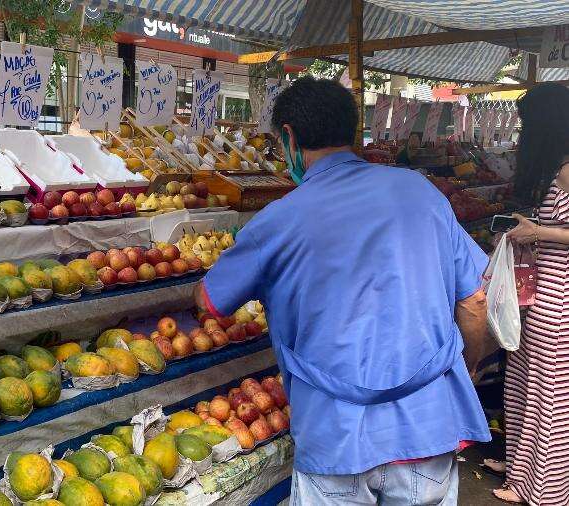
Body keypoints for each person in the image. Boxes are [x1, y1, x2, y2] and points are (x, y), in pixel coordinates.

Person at [194, 76, 491, 504]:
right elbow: (474, 302)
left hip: (336, 441)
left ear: (290, 137)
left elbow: (211, 303)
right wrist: (468, 363)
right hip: (427, 428)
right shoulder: (421, 193)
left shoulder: (279, 220)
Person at [490, 82, 569, 505]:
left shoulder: (567, 169)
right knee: (523, 381)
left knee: (548, 393)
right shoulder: (554, 166)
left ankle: (543, 486)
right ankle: (520, 467)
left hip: (558, 297)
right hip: (537, 293)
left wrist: (537, 231)